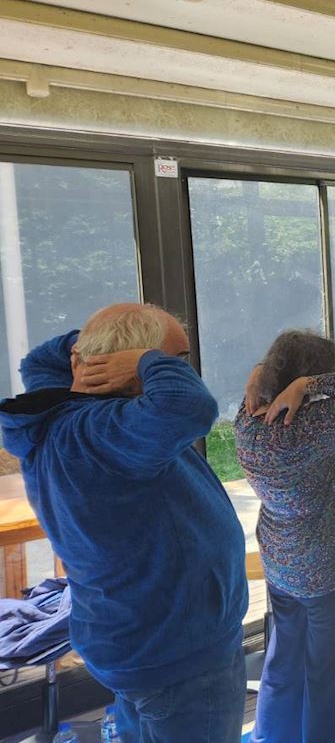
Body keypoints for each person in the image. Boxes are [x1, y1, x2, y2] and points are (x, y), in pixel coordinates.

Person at [0, 304, 247, 742]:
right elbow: (190, 406)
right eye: (175, 360)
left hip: (139, 641)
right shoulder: (102, 433)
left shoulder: (63, 413)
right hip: (176, 655)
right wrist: (142, 359)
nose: (180, 370)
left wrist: (97, 354)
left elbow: (37, 359)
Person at [234, 331, 335, 743]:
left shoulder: (247, 419)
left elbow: (265, 384)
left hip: (282, 564)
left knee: (283, 663)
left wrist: (262, 375)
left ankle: (271, 737)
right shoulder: (315, 425)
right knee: (333, 680)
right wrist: (308, 385)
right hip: (334, 568)